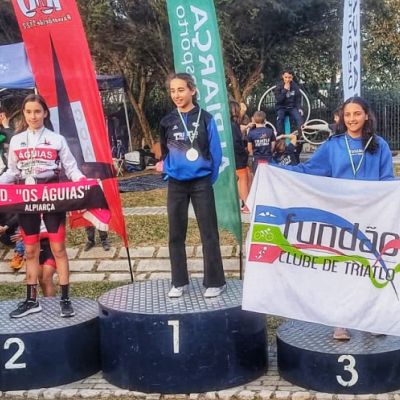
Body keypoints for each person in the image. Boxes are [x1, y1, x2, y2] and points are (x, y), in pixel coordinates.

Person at [277, 96, 394, 339]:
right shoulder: (333, 145)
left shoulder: (379, 144)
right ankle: (341, 322)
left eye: (357, 113)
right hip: (341, 217)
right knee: (343, 268)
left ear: (366, 116)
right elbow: (310, 170)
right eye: (348, 114)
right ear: (342, 117)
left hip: (371, 217)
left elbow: (387, 181)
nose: (352, 119)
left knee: (368, 270)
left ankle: (370, 320)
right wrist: (277, 171)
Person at [0, 94, 85, 318]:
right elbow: (12, 172)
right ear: (23, 113)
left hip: (52, 197)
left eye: (37, 111)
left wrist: (84, 182)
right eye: (28, 112)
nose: (33, 116)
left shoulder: (57, 139)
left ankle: (65, 299)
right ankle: (31, 300)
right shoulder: (17, 141)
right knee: (30, 251)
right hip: (27, 199)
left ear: (45, 113)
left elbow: (71, 168)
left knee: (58, 249)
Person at [159, 72, 226, 298]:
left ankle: (215, 282)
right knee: (175, 234)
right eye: (172, 91)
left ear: (192, 90)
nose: (176, 95)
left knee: (209, 233)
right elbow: (165, 151)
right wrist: (170, 172)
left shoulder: (206, 118)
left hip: (201, 182)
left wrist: (207, 178)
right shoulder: (167, 121)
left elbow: (216, 153)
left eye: (181, 90)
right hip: (176, 184)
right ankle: (179, 282)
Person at [274, 69, 303, 162]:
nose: (287, 79)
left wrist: (299, 108)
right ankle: (280, 137)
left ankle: (300, 137)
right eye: (286, 77)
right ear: (283, 77)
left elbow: (298, 99)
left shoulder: (295, 86)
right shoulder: (279, 86)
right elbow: (278, 100)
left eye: (289, 77)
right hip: (281, 107)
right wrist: (285, 90)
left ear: (292, 77)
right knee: (280, 118)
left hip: (292, 107)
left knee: (299, 118)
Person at [229, 101, 250, 213]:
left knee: (242, 178)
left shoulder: (230, 124)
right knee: (242, 179)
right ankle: (246, 204)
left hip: (235, 156)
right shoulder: (233, 125)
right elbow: (236, 142)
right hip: (238, 157)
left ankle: (244, 202)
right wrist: (244, 152)